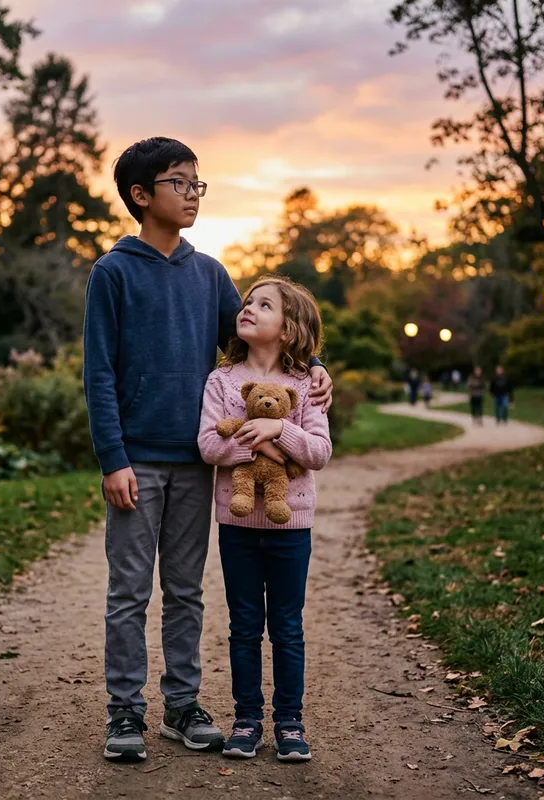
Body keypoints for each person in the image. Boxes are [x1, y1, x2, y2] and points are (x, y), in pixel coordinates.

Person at [82, 137, 333, 762]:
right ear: (142, 195)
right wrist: (113, 459)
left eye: (198, 183)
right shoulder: (113, 273)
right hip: (137, 462)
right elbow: (99, 373)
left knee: (186, 591)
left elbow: (261, 343)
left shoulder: (210, 275)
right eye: (180, 183)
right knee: (129, 592)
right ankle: (124, 710)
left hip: (198, 465)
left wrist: (315, 365)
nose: (193, 194)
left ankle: (181, 705)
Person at [197, 275, 332, 763]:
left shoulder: (305, 386)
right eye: (248, 302)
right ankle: (247, 720)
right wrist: (256, 443)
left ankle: (290, 722)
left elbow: (319, 451)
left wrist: (279, 430)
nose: (248, 308)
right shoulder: (222, 381)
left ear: (288, 327)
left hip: (291, 528)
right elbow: (208, 445)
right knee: (244, 626)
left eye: (264, 305)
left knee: (288, 627)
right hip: (237, 527)